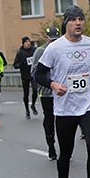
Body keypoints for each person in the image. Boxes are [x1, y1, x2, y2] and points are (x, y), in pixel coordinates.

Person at [35, 6, 90, 178]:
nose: (78, 23)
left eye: (81, 19)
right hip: (65, 108)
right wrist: (54, 85)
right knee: (65, 154)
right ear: (66, 23)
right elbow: (39, 75)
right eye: (74, 20)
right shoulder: (55, 48)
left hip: (88, 104)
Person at [31, 25, 61, 160]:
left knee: (64, 120)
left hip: (62, 91)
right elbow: (34, 72)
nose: (53, 43)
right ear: (46, 38)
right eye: (51, 40)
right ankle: (51, 146)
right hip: (47, 92)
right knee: (49, 118)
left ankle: (65, 147)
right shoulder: (40, 51)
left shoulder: (63, 49)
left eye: (56, 40)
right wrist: (47, 80)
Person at [13, 36, 38, 119]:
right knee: (26, 94)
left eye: (29, 42)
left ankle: (33, 105)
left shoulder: (34, 50)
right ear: (23, 44)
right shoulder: (20, 53)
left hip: (33, 74)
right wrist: (20, 64)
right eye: (26, 42)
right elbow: (15, 65)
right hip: (25, 75)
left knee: (35, 90)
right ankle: (27, 110)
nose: (28, 43)